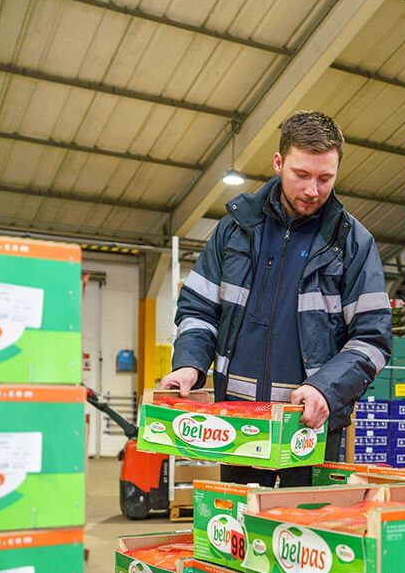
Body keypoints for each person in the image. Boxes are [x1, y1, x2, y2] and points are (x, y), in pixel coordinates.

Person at [159, 111, 393, 487]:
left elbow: (373, 340)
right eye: (301, 175)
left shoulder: (353, 243)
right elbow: (198, 310)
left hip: (309, 431)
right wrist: (189, 364)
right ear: (279, 162)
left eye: (325, 178)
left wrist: (324, 390)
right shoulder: (235, 230)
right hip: (236, 429)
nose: (313, 191)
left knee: (300, 536)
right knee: (236, 533)